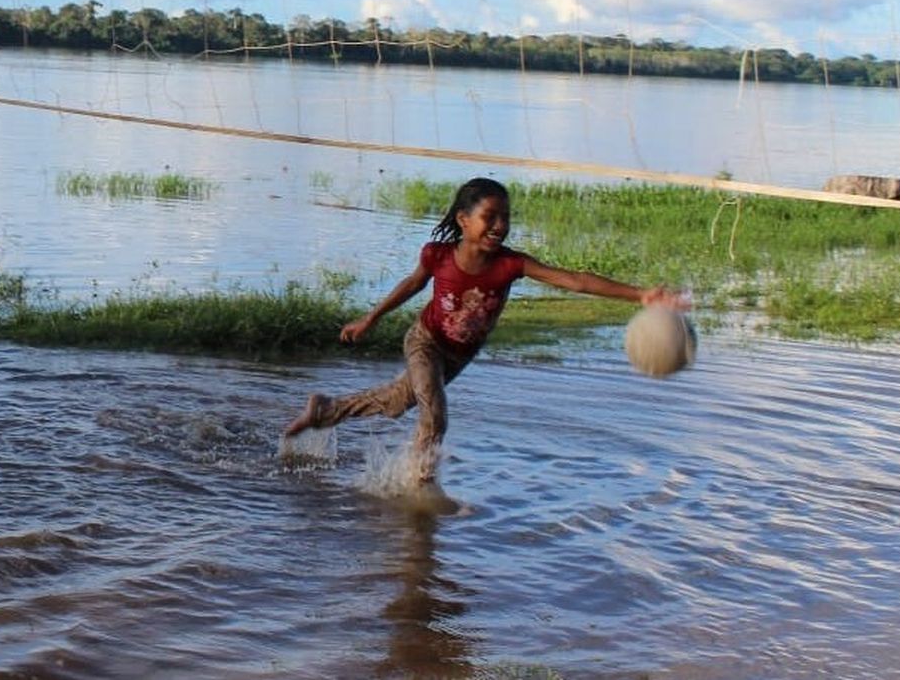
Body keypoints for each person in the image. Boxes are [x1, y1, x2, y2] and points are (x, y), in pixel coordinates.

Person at [283, 177, 685, 482]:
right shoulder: (438, 255)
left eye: (505, 218)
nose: (499, 225)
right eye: (489, 217)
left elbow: (575, 281)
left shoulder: (510, 265)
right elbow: (412, 284)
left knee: (395, 403)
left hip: (458, 357)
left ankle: (324, 410)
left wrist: (641, 295)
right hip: (425, 343)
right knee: (435, 416)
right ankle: (420, 490)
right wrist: (370, 318)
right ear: (464, 220)